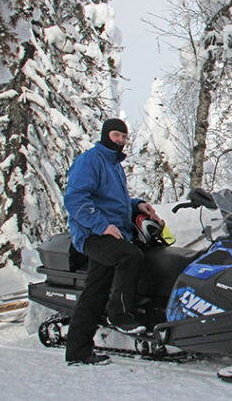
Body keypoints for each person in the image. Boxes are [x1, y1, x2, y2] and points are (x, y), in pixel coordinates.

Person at [63, 118, 161, 365]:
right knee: (129, 256)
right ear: (106, 134)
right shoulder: (90, 161)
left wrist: (137, 204)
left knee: (95, 293)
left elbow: (114, 203)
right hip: (92, 234)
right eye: (116, 135)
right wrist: (101, 225)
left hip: (111, 233)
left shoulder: (114, 165)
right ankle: (120, 314)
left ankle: (77, 351)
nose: (120, 140)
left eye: (124, 137)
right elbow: (75, 200)